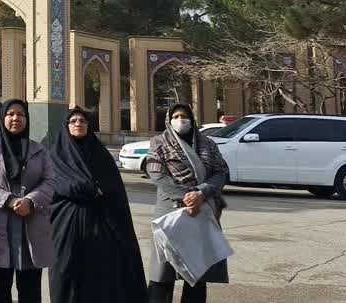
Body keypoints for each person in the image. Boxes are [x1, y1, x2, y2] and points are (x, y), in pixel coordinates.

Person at [46, 108, 146, 303]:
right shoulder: (56, 156)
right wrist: (88, 188)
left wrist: (87, 188)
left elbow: (112, 188)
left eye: (82, 121)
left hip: (100, 227)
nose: (78, 124)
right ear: (66, 126)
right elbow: (58, 185)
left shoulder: (100, 154)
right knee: (65, 275)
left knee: (99, 276)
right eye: (73, 121)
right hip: (66, 228)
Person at [143, 103, 230, 303]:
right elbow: (157, 175)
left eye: (184, 116)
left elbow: (220, 172)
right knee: (163, 271)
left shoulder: (208, 144)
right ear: (168, 120)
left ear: (192, 119)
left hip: (202, 210)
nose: (180, 120)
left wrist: (202, 193)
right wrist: (187, 197)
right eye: (175, 116)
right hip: (170, 211)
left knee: (197, 269)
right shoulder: (159, 142)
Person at [0, 98, 55, 303]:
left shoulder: (39, 150)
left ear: (27, 119)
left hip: (30, 224)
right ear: (2, 118)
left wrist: (31, 201)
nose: (15, 118)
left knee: (30, 289)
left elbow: (50, 181)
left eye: (20, 114)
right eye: (10, 114)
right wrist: (7, 200)